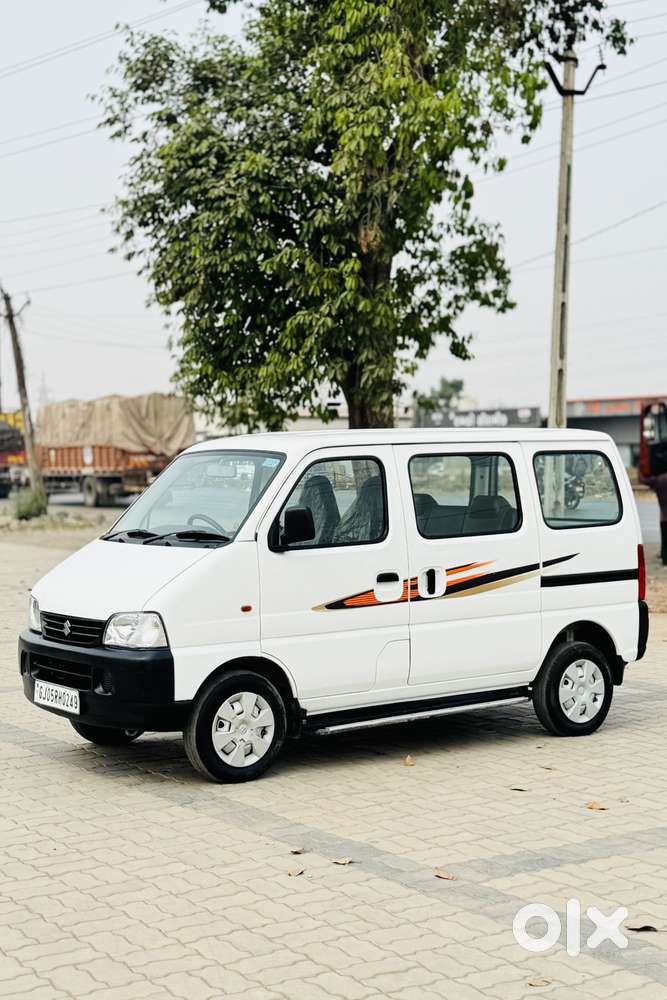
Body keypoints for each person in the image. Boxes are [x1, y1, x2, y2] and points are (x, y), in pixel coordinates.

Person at [641, 470, 667, 565]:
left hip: (664, 517)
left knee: (665, 541)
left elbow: (642, 479)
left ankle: (665, 560)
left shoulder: (659, 480)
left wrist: (641, 466)